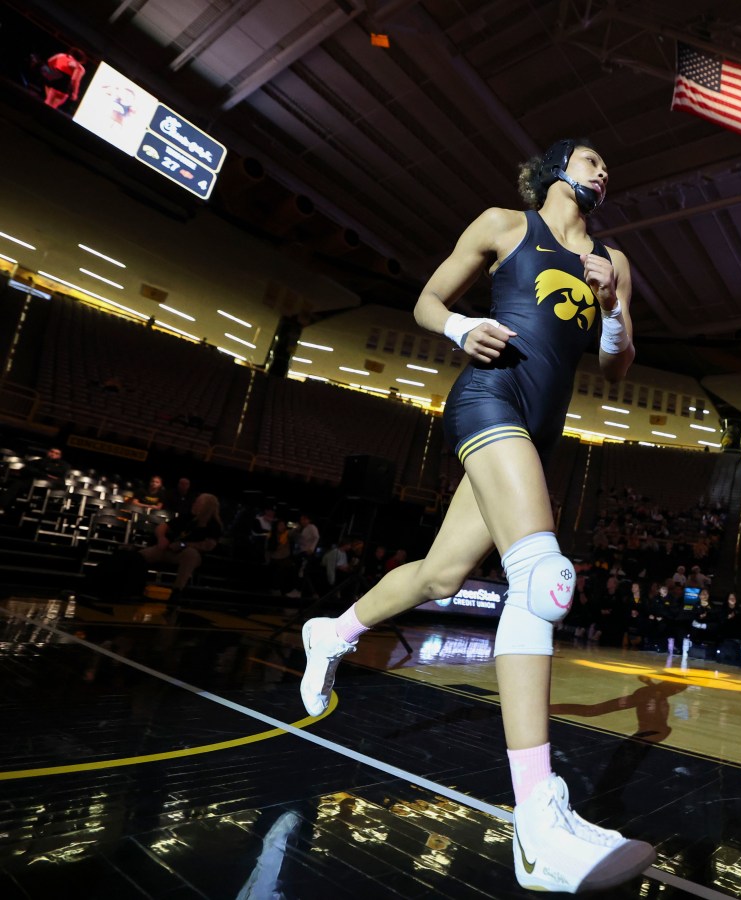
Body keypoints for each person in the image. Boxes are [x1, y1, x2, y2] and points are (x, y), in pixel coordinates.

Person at [298, 138, 654, 893]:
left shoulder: (614, 263)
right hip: (489, 398)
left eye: (606, 165)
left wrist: (613, 306)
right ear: (559, 169)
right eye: (592, 160)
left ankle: (332, 632)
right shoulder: (503, 224)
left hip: (540, 428)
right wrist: (461, 329)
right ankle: (536, 824)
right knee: (544, 579)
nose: (604, 170)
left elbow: (618, 366)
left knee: (441, 572)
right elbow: (428, 300)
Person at [137, 493, 222, 599]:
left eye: (197, 502)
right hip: (170, 550)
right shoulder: (188, 517)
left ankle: (177, 590)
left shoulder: (213, 525)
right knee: (142, 555)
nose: (194, 504)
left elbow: (208, 545)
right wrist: (161, 538)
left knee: (191, 554)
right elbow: (163, 526)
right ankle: (135, 584)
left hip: (188, 555)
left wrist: (183, 544)